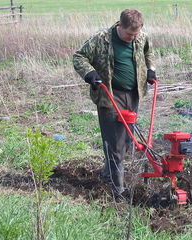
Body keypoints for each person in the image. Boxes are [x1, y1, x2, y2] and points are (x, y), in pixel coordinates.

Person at [73, 9, 156, 201]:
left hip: (133, 94)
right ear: (120, 26)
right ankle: (117, 190)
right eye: (129, 34)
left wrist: (151, 70)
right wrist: (89, 74)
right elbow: (79, 56)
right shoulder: (102, 39)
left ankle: (108, 176)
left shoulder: (141, 37)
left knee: (127, 141)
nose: (132, 38)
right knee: (115, 144)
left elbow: (148, 53)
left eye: (135, 34)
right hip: (109, 94)